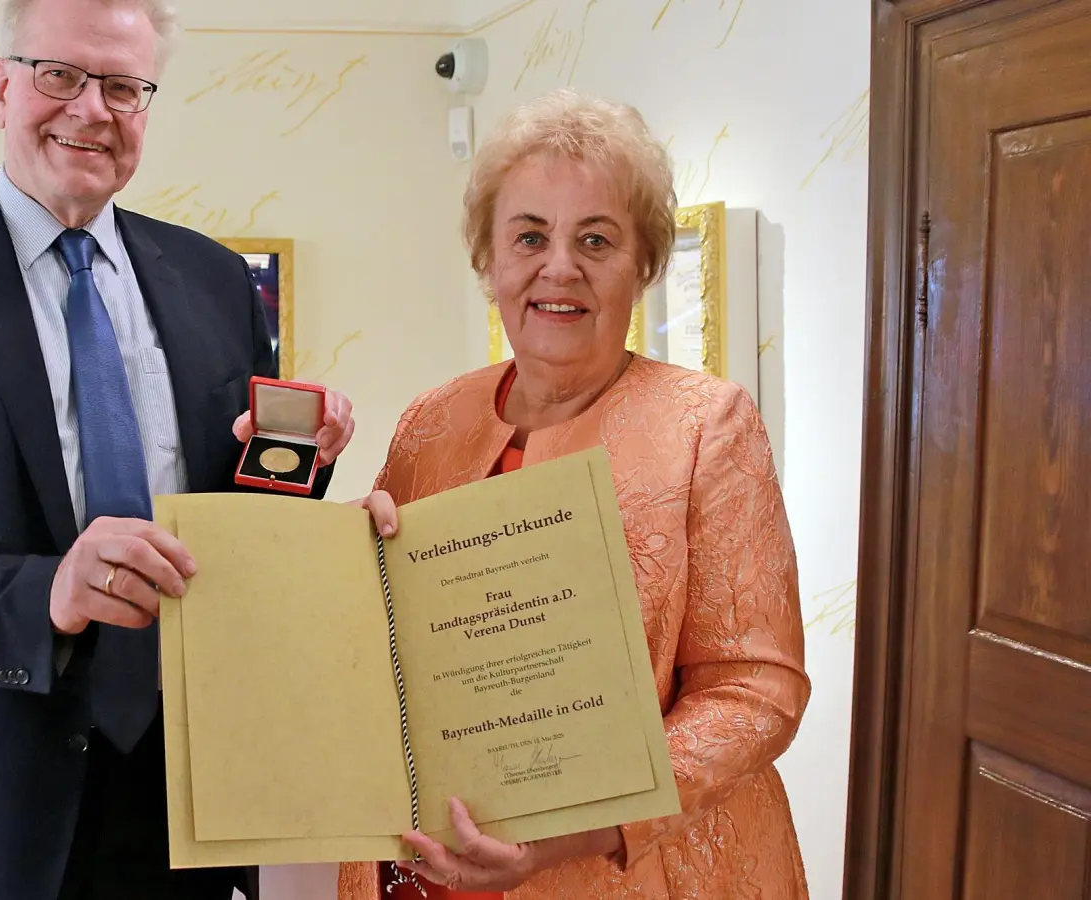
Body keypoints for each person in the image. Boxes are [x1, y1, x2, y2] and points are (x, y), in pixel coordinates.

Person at [0, 0, 356, 897]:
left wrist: (299, 462)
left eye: (124, 86)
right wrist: (45, 592)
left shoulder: (213, 280)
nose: (93, 110)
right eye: (61, 76)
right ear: (1, 85)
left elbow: (231, 526)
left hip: (181, 790)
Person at [337, 88, 811, 899]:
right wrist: (344, 567)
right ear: (489, 262)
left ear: (645, 264)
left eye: (597, 238)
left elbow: (757, 690)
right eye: (530, 236)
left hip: (640, 870)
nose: (561, 267)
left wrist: (586, 824)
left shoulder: (709, 426)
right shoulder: (431, 421)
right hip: (427, 865)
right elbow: (381, 646)